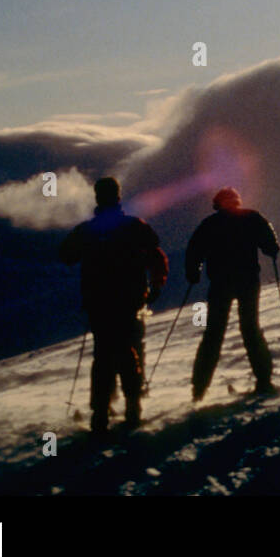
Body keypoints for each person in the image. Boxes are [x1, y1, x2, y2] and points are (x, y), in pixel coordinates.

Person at [60, 177, 167, 437]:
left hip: (99, 302)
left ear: (97, 197)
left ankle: (101, 412)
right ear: (118, 196)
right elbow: (155, 254)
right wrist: (156, 285)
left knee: (104, 355)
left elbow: (66, 255)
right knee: (128, 349)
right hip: (129, 300)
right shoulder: (134, 226)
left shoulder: (88, 230)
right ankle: (132, 406)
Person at [186, 187, 280, 401]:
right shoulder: (252, 217)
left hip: (221, 282)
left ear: (218, 204)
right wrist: (272, 250)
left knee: (213, 334)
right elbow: (270, 244)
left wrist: (193, 272)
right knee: (250, 329)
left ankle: (199, 389)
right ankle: (264, 380)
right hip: (248, 280)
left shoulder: (209, 224)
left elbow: (194, 250)